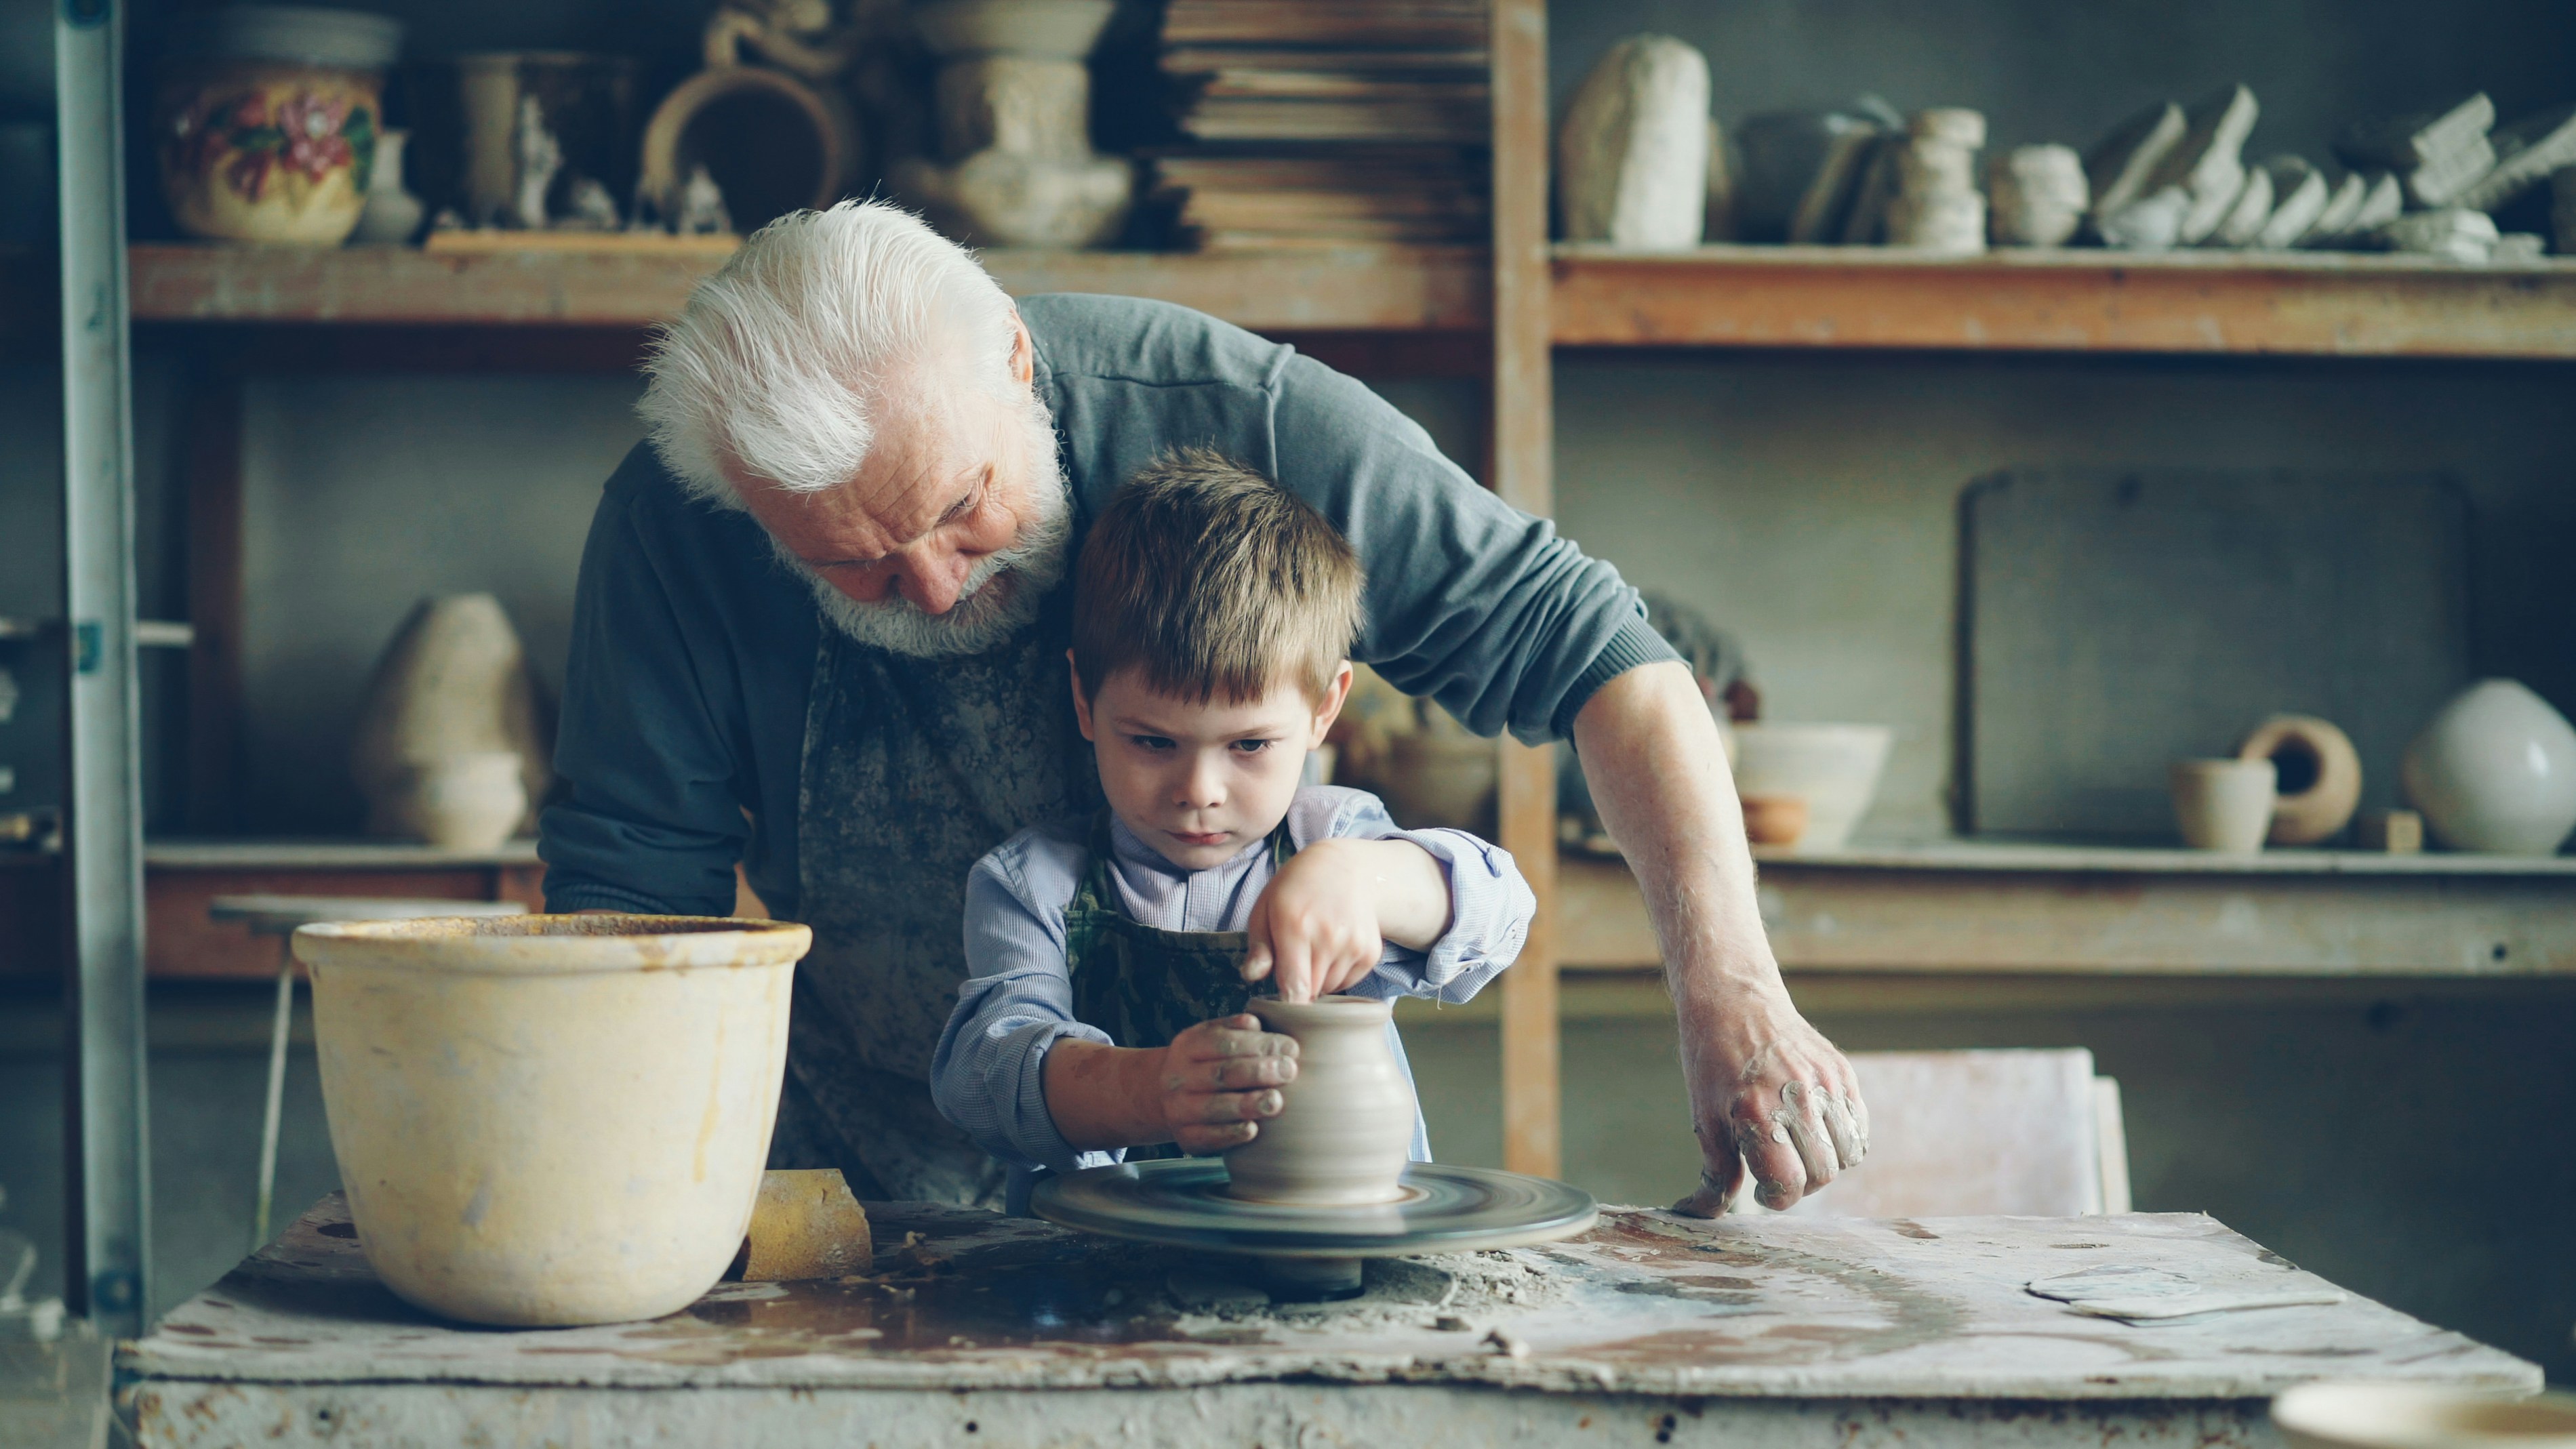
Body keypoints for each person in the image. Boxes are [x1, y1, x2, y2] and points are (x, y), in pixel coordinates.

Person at [540, 199, 1866, 1212]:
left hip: (1266, 1211)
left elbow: (1598, 656)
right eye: (853, 563)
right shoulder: (680, 523)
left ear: (1012, 360)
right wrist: (631, 1217)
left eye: (961, 510)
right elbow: (629, 907)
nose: (936, 589)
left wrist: (1731, 994)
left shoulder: (1233, 419)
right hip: (872, 1190)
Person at [929, 453, 1533, 1210]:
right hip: (1095, 1268)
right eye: (1153, 742)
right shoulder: (1033, 882)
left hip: (1334, 1246)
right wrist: (1149, 1090)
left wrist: (1366, 880)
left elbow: (1504, 909)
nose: (1198, 792)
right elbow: (984, 1076)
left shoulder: (1331, 839)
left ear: (1323, 708)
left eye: (1248, 745)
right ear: (1084, 700)